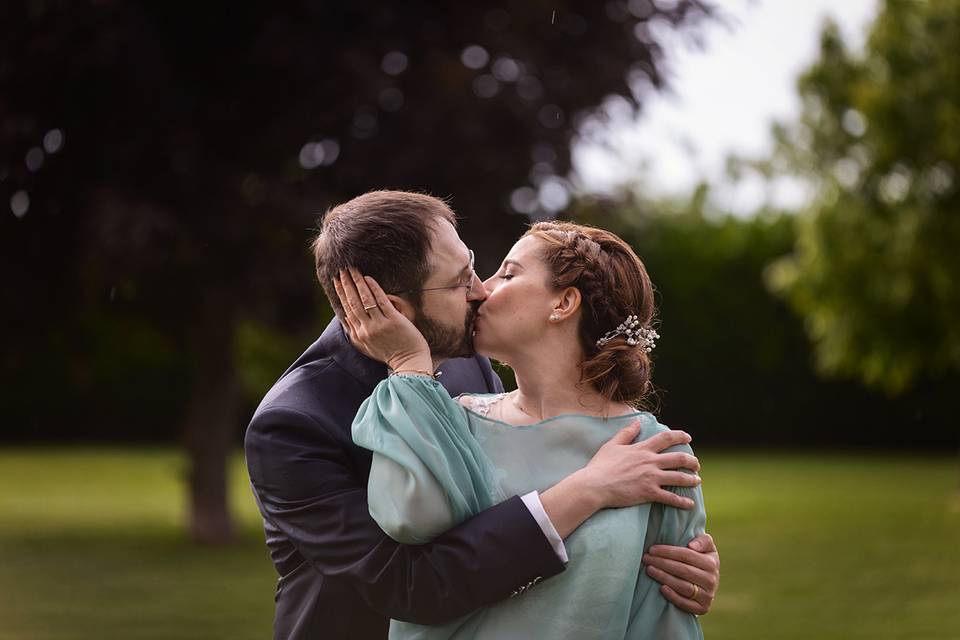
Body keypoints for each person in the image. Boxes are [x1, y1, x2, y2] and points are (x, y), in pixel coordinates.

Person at [245, 191, 719, 640]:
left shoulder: (464, 360)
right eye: (459, 281)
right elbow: (417, 585)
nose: (480, 291)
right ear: (394, 306)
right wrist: (589, 489)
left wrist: (668, 565)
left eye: (479, 268)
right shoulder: (292, 425)